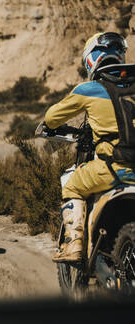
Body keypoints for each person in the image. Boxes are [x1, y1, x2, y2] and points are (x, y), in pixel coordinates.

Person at [42, 32, 134, 262]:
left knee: (72, 186)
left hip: (110, 169)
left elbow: (52, 118)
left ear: (91, 59)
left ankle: (73, 246)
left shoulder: (89, 89)